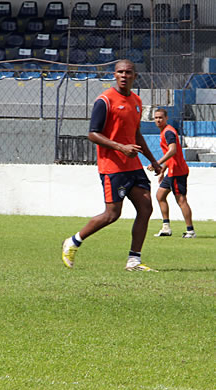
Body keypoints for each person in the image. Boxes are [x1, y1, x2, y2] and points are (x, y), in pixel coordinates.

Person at [61, 59, 163, 272]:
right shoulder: (104, 101)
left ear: (135, 76)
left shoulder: (136, 101)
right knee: (112, 214)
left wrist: (153, 160)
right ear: (114, 75)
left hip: (133, 166)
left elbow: (136, 134)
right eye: (120, 72)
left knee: (145, 208)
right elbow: (92, 134)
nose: (124, 75)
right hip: (112, 167)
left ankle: (134, 260)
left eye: (128, 72)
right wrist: (120, 147)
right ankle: (74, 240)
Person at [148, 108, 196, 238]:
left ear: (166, 118)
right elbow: (170, 156)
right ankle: (166, 228)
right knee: (160, 195)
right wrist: (163, 170)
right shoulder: (164, 131)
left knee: (181, 200)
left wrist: (157, 163)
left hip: (177, 171)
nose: (158, 120)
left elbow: (173, 150)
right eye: (156, 118)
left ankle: (190, 231)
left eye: (160, 117)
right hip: (172, 170)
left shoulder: (168, 132)